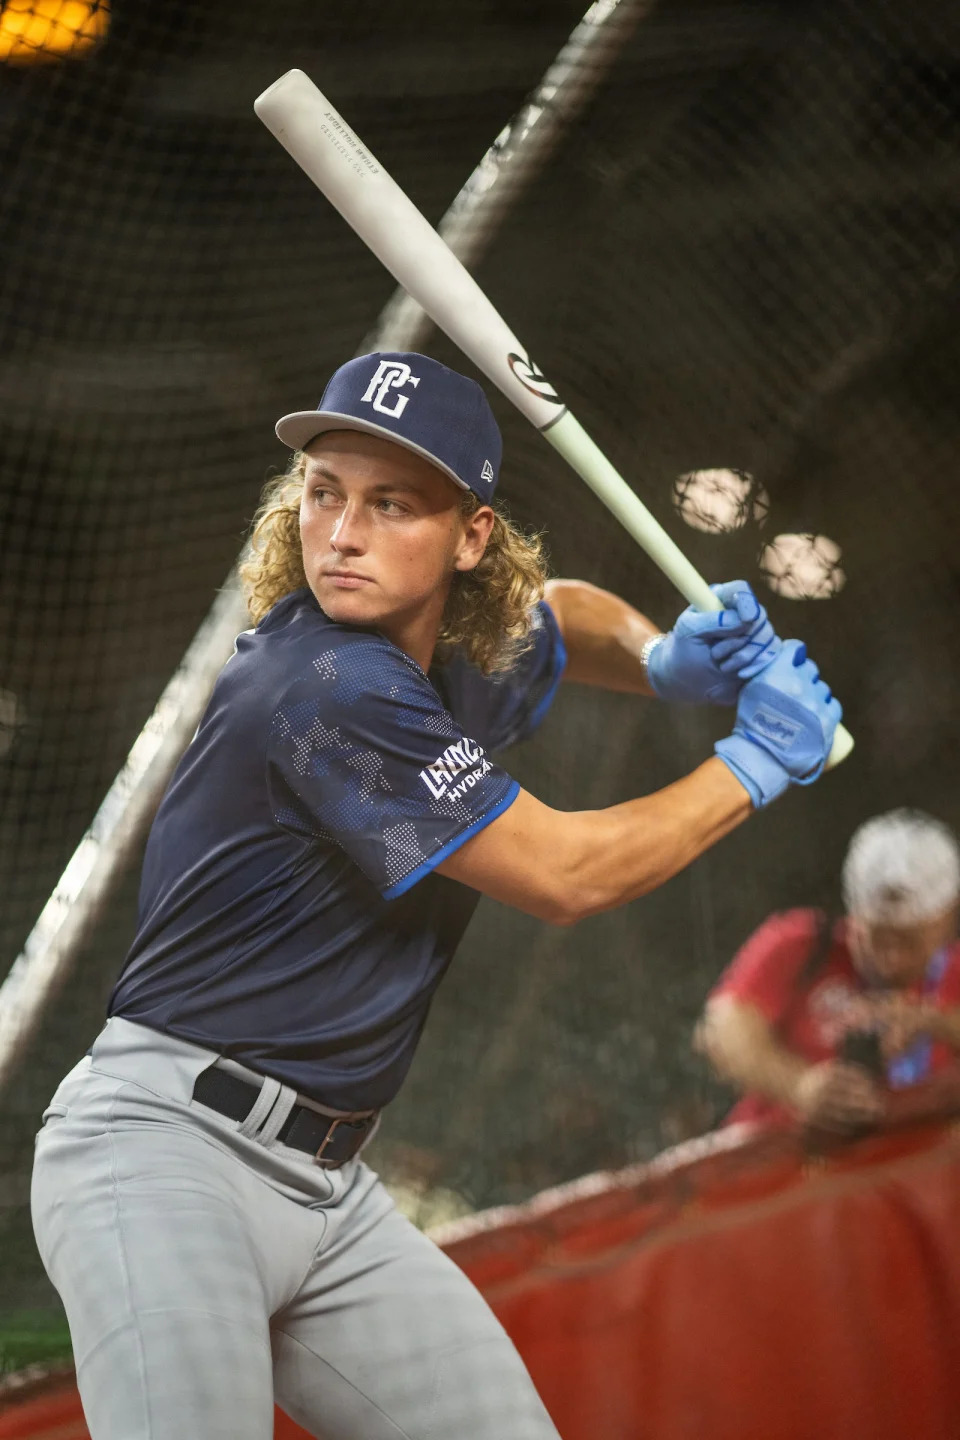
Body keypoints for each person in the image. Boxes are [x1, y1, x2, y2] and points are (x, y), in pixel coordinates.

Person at [31, 351, 839, 1440]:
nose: (344, 532)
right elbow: (565, 874)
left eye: (393, 503)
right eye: (325, 493)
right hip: (168, 1159)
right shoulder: (326, 682)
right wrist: (753, 760)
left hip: (328, 1189)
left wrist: (658, 661)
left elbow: (559, 614)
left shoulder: (446, 650)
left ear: (471, 538)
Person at [699, 809, 960, 1134]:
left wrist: (934, 1022)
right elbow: (723, 1029)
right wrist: (801, 1086)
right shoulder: (801, 945)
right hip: (782, 1167)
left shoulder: (954, 974)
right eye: (877, 938)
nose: (892, 959)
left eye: (910, 942)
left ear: (948, 918)